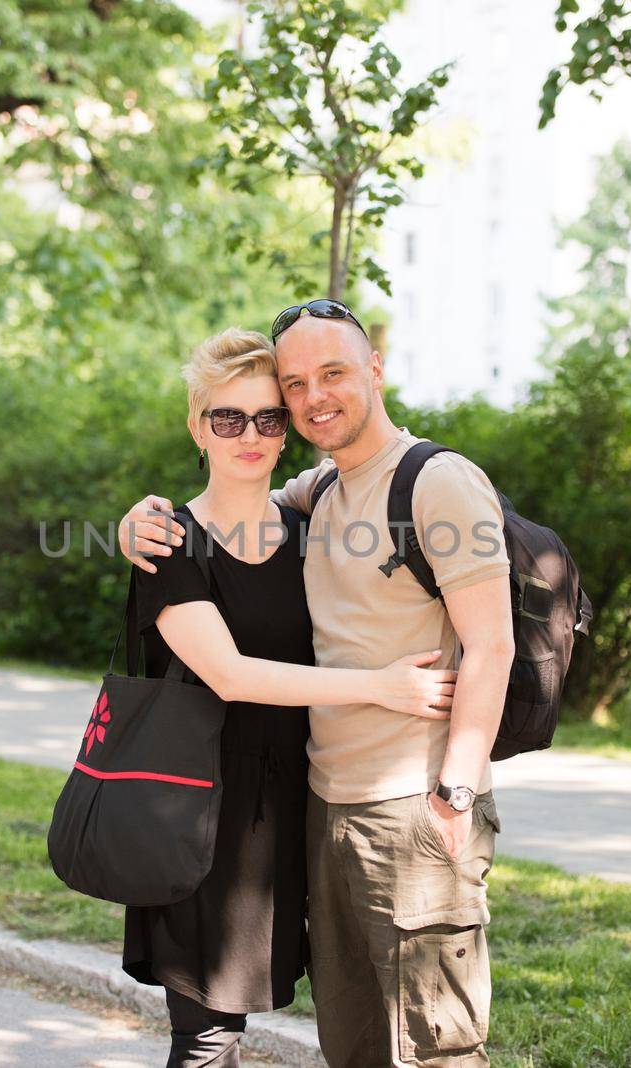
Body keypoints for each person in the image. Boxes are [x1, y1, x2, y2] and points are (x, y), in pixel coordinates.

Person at [119, 300, 514, 1067]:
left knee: (434, 1051)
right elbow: (234, 538)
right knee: (355, 1046)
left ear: (374, 369)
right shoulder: (321, 493)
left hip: (415, 807)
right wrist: (142, 522)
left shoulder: (438, 482)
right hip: (314, 811)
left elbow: (491, 646)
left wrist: (458, 791)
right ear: (198, 424)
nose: (305, 402)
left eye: (329, 374)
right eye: (292, 385)